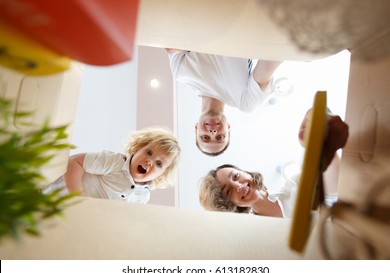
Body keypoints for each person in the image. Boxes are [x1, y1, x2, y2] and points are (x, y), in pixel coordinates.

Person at [199, 111, 349, 218]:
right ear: (230, 205)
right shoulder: (253, 233)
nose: (238, 186)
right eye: (228, 191)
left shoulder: (295, 182)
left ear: (247, 173)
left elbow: (333, 194)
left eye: (236, 176)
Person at [166, 48, 282, 156]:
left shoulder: (181, 74)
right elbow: (272, 58)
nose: (213, 132)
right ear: (228, 127)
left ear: (196, 128)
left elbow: (173, 39)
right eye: (220, 137)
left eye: (205, 137)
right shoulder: (246, 102)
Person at [48, 127, 181, 204]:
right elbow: (74, 162)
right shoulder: (115, 163)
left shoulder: (143, 196)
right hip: (58, 196)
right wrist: (79, 196)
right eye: (149, 152)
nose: (149, 161)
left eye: (159, 163)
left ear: (162, 174)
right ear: (137, 148)